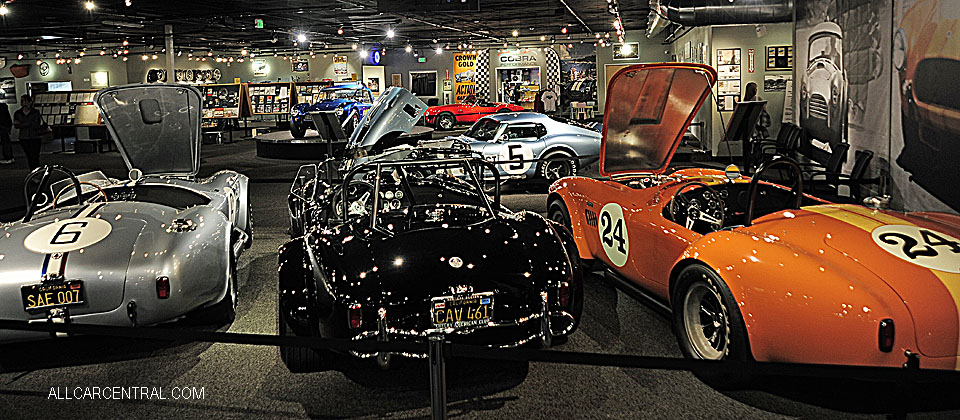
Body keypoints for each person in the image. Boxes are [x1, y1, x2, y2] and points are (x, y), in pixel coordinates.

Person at [13, 94, 43, 170]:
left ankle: (36, 170)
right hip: (24, 137)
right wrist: (29, 123)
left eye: (25, 101)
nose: (23, 103)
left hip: (35, 136)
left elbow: (36, 124)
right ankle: (33, 170)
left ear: (30, 102)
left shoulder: (35, 112)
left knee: (35, 155)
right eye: (22, 101)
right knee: (29, 155)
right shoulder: (18, 113)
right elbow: (16, 125)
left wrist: (22, 123)